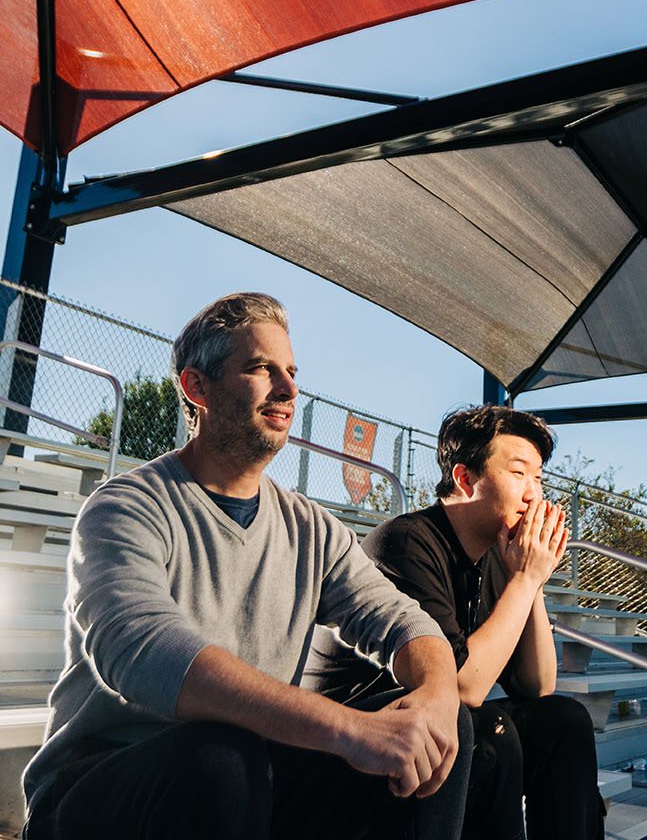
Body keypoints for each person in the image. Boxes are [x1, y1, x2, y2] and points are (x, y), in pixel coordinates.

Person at [23, 292, 472, 840]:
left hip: (245, 777)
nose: (288, 389)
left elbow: (405, 622)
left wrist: (435, 696)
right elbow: (140, 648)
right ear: (197, 387)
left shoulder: (313, 527)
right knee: (221, 756)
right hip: (99, 789)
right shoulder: (127, 507)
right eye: (261, 368)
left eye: (291, 371)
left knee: (444, 731)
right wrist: (349, 728)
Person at [303, 405, 605, 840]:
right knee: (486, 734)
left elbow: (537, 685)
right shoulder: (406, 542)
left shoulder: (501, 557)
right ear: (466, 479)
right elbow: (461, 686)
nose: (533, 495)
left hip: (436, 730)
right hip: (358, 740)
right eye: (519, 474)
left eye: (538, 478)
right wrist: (524, 579)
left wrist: (533, 581)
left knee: (563, 722)